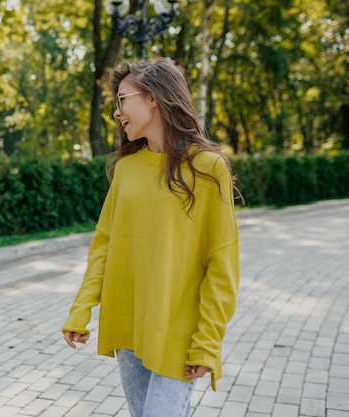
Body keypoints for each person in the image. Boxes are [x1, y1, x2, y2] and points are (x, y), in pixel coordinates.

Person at [61, 59, 240, 417]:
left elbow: (222, 264)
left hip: (179, 334)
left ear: (153, 98)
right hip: (129, 327)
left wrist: (207, 343)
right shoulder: (126, 169)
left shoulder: (207, 167)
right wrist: (81, 309)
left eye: (122, 99)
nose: (117, 112)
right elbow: (104, 246)